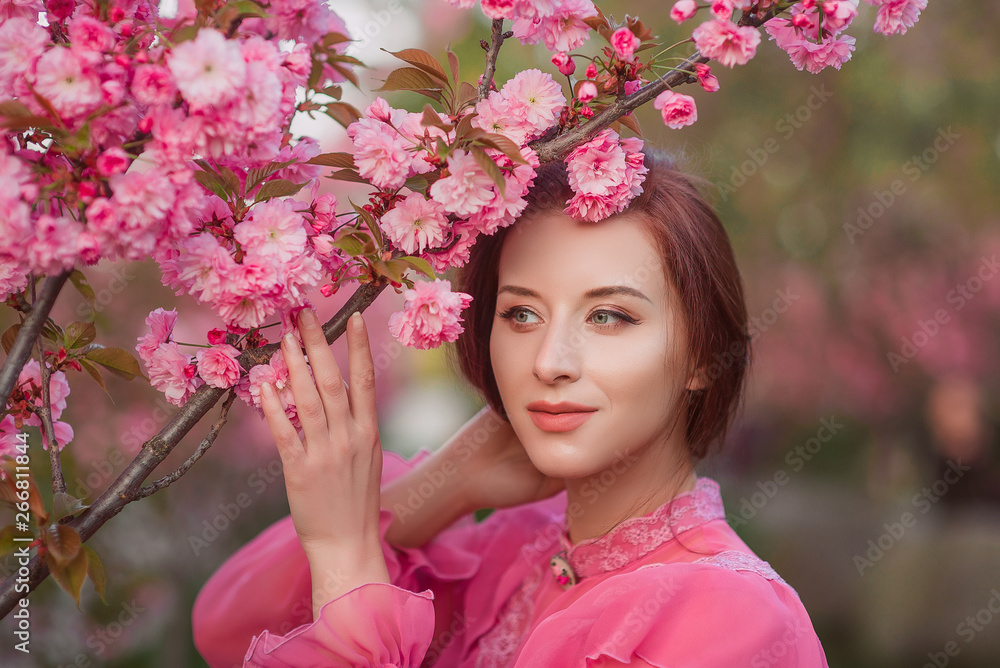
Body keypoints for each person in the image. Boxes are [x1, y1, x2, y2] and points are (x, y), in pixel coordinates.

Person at [192, 150, 830, 667]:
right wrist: (442, 485)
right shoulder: (506, 555)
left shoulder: (730, 617)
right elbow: (226, 633)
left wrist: (345, 552)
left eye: (610, 316)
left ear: (699, 355)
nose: (549, 360)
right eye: (521, 313)